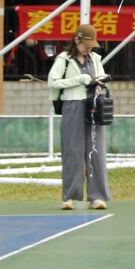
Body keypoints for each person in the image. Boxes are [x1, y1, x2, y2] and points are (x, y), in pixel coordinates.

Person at [47, 24, 110, 210]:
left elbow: (101, 76)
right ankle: (69, 196)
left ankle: (97, 196)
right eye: (86, 45)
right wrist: (79, 80)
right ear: (77, 40)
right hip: (72, 105)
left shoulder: (95, 59)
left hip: (93, 105)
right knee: (72, 152)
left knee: (96, 152)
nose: (89, 49)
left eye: (91, 45)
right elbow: (52, 82)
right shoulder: (64, 59)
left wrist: (100, 81)